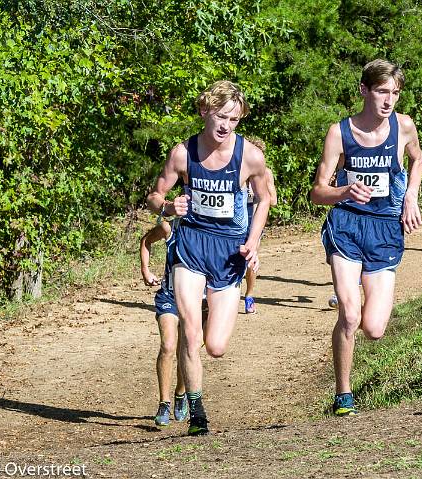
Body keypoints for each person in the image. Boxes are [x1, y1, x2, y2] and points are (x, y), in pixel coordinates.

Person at [146, 80, 271, 435]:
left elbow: (264, 199)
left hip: (229, 253)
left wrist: (254, 241)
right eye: (220, 116)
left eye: (234, 119)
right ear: (205, 111)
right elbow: (154, 195)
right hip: (191, 246)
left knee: (214, 346)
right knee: (189, 331)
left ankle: (192, 395)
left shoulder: (249, 156)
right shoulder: (182, 153)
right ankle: (198, 411)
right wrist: (169, 206)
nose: (226, 125)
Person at [311, 59, 422, 416]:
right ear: (364, 90)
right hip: (346, 225)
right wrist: (343, 191)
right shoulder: (339, 132)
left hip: (385, 229)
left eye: (394, 92)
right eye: (381, 91)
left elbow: (417, 158)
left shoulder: (403, 126)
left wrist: (410, 195)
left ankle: (357, 295)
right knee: (349, 315)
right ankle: (343, 394)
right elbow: (317, 192)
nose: (389, 100)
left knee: (374, 328)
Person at [139, 218, 188, 426]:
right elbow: (146, 241)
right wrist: (146, 270)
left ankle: (180, 393)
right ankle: (164, 403)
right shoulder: (170, 227)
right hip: (168, 296)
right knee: (168, 345)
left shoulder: (212, 227)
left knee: (187, 350)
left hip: (196, 299)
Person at [243, 158, 277, 314]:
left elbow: (274, 201)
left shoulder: (266, 173)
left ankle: (249, 295)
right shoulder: (237, 171)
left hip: (255, 219)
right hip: (235, 220)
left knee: (251, 258)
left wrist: (260, 196)